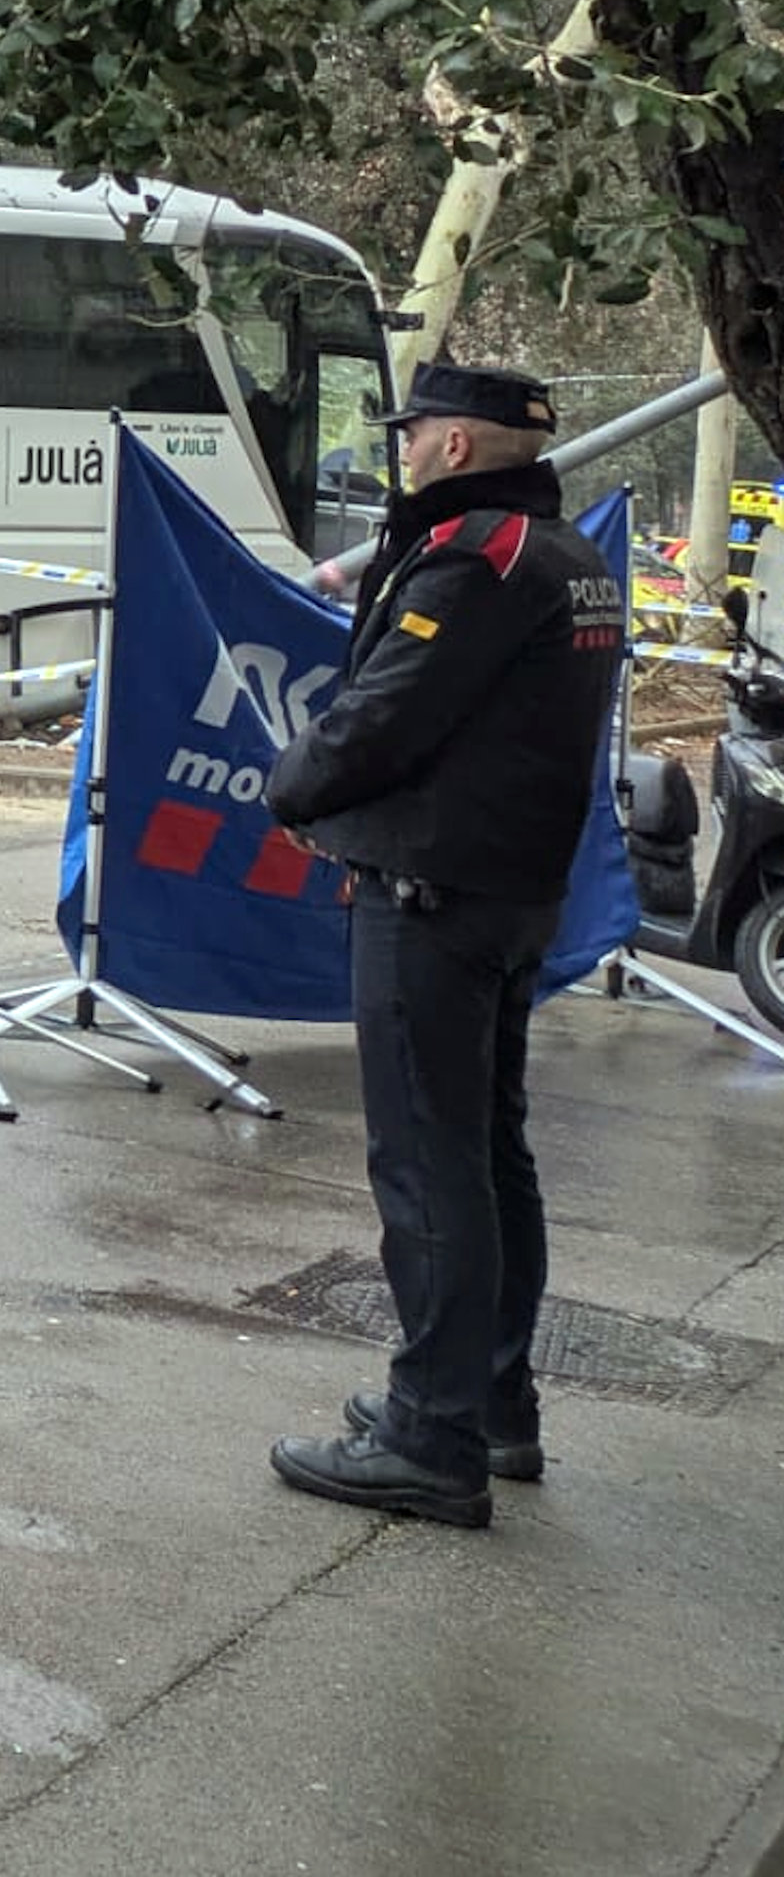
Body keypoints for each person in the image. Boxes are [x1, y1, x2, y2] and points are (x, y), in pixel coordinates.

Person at [258, 361, 622, 1528]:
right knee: (488, 1151)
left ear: (455, 447)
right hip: (511, 890)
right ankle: (490, 1399)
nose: (404, 450)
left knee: (427, 1159)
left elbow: (387, 714)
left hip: (436, 893)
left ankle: (433, 1432)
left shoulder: (479, 559)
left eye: (416, 433)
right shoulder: (571, 559)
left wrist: (290, 788)